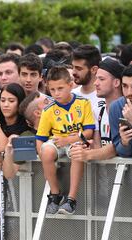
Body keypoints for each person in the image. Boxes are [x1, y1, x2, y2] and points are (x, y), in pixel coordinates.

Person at [35, 65, 95, 215]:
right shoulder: (48, 110)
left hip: (75, 141)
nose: (56, 93)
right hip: (57, 142)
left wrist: (68, 139)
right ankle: (55, 194)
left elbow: (89, 131)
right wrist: (42, 155)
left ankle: (71, 199)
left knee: (77, 150)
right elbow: (40, 138)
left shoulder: (83, 103)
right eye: (52, 89)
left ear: (70, 85)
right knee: (46, 150)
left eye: (60, 88)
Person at [70, 57, 124, 162]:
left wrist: (89, 154)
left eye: (101, 79)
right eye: (96, 78)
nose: (96, 83)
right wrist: (85, 146)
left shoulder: (127, 110)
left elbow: (118, 145)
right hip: (103, 174)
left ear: (116, 83)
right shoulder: (98, 110)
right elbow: (97, 145)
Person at [71, 44, 105, 131]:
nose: (73, 72)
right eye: (73, 67)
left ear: (94, 69)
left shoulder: (105, 98)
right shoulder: (71, 95)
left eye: (79, 68)